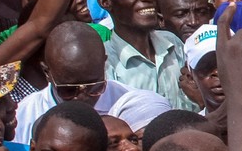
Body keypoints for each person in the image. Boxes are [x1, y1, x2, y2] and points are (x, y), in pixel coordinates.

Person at [14, 21, 170, 144]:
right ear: (47, 72)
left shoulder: (131, 104)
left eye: (95, 87)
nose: (82, 97)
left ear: (104, 64)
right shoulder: (25, 114)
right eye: (69, 90)